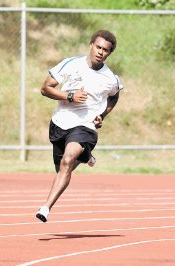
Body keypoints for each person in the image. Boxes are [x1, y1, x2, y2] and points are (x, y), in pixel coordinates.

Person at [36, 30, 123, 223]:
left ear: (109, 53)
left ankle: (46, 207)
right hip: (60, 123)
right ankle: (85, 155)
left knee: (67, 161)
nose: (101, 52)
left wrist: (102, 115)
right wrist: (69, 96)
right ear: (91, 45)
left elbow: (115, 95)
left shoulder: (110, 78)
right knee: (61, 169)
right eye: (98, 47)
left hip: (85, 126)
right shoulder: (70, 64)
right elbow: (45, 88)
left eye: (106, 50)